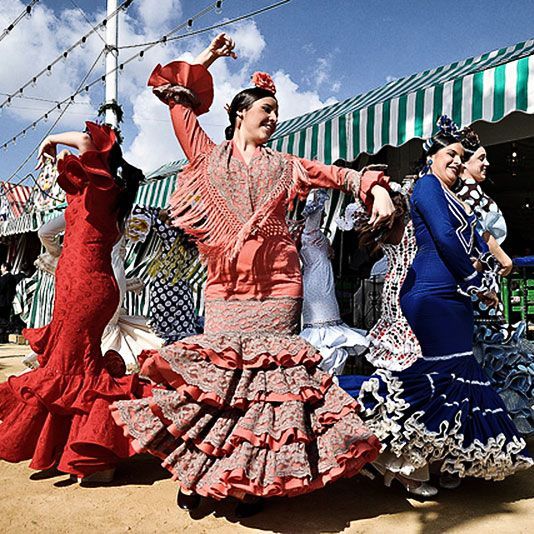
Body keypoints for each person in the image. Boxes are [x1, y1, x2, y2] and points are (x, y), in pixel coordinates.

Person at [111, 33, 394, 518]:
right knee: (220, 385)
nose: (274, 118)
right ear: (241, 112)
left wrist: (376, 189)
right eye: (267, 108)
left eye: (277, 111)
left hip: (280, 286)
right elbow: (177, 100)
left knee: (268, 389)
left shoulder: (288, 166)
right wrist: (208, 59)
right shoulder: (205, 155)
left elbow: (340, 176)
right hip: (225, 287)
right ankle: (203, 473)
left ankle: (250, 483)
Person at [346, 117, 532, 495]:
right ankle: (403, 463)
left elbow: (475, 242)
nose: (456, 162)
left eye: (461, 157)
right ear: (431, 155)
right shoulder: (428, 187)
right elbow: (446, 238)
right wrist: (476, 280)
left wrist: (485, 274)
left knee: (457, 379)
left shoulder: (455, 198)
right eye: (450, 154)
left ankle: (449, 461)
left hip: (455, 299)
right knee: (433, 378)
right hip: (429, 296)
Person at [0, 122, 149, 483]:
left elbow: (83, 140)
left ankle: (95, 458)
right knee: (72, 366)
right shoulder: (92, 191)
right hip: (76, 286)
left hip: (86, 288)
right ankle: (70, 450)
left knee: (72, 369)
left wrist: (50, 138)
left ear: (98, 157)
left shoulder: (103, 189)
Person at [455, 130, 534, 435]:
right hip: (479, 283)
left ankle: (481, 435)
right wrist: (505, 258)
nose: (487, 164)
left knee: (482, 357)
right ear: (463, 164)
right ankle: (484, 434)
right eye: (481, 158)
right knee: (487, 356)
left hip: (478, 281)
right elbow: (480, 234)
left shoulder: (466, 193)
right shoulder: (470, 195)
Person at [299, 189, 368, 378]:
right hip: (316, 283)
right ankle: (321, 372)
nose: (322, 218)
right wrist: (317, 194)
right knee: (322, 328)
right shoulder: (308, 233)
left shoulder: (317, 234)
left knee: (330, 328)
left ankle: (329, 373)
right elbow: (313, 215)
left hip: (322, 279)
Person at [0, 262, 17, 338]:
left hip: (2, 301)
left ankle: (2, 336)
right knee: (6, 318)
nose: (0, 269)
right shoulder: (13, 277)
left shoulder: (4, 278)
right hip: (8, 301)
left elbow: (1, 289)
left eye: (1, 267)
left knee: (2, 320)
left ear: (5, 268)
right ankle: (4, 336)